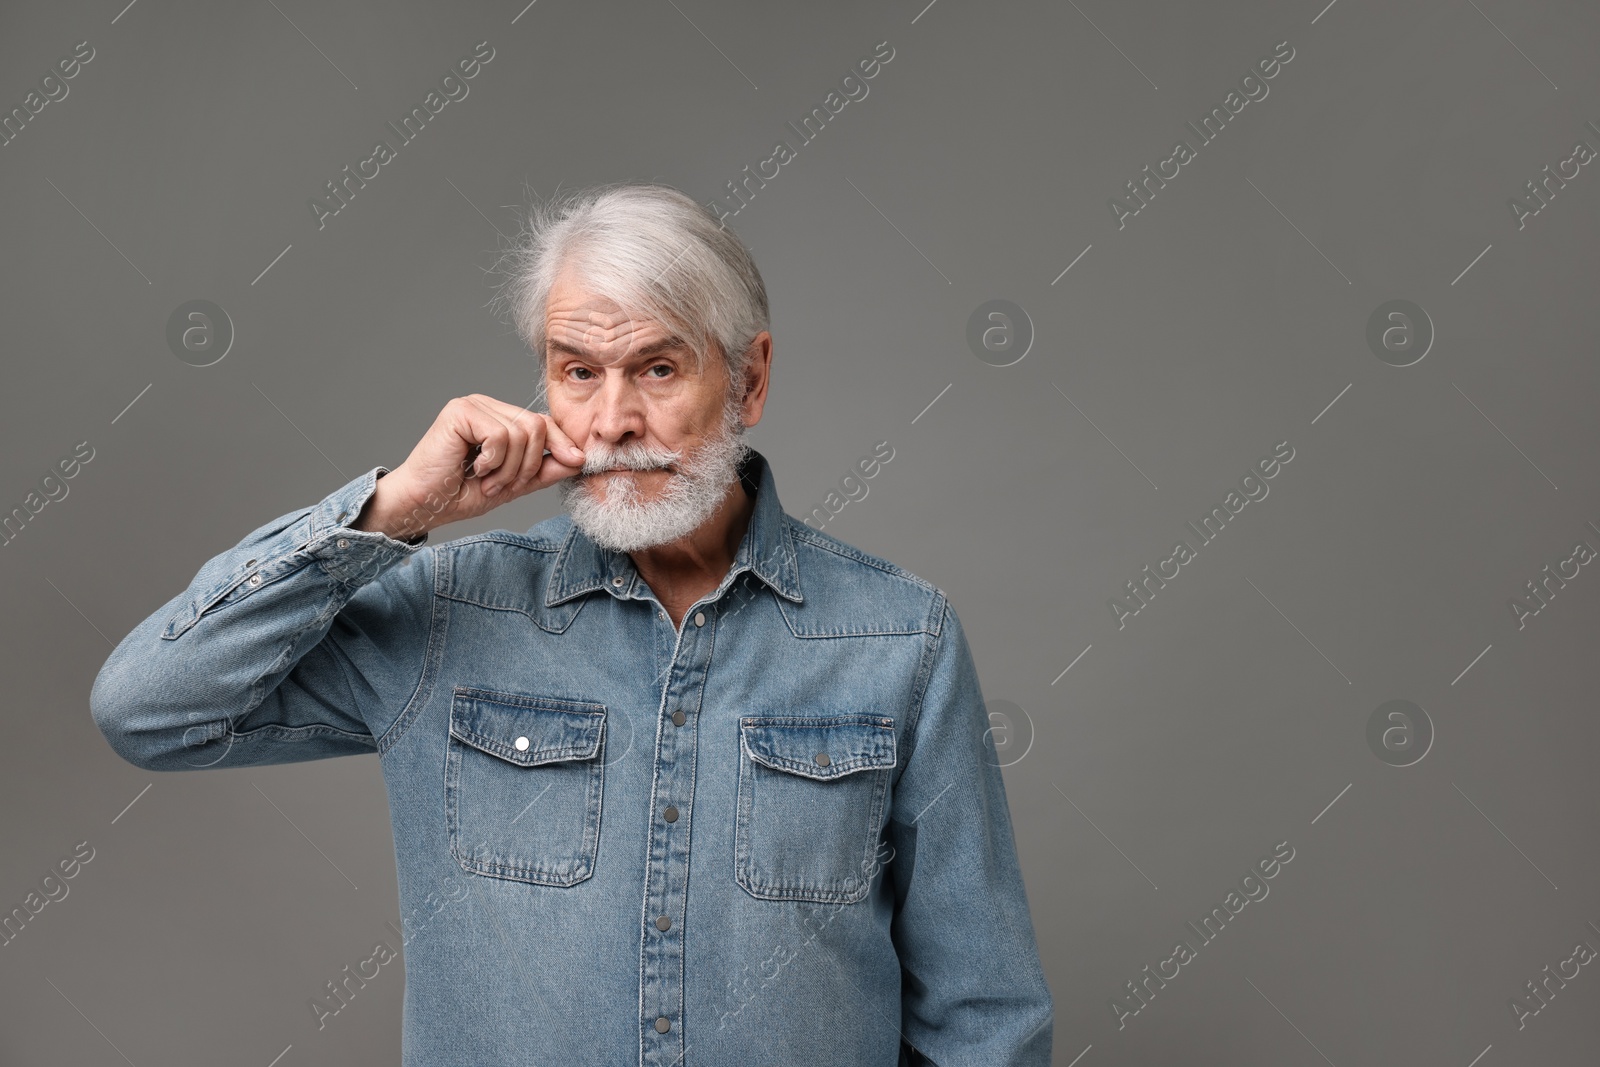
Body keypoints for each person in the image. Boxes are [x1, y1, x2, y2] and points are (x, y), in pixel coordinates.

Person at [90, 182, 1053, 1066]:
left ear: (749, 380)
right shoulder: (450, 610)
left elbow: (982, 1013)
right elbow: (151, 709)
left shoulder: (898, 638)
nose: (613, 419)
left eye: (659, 367)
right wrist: (391, 513)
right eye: (578, 370)